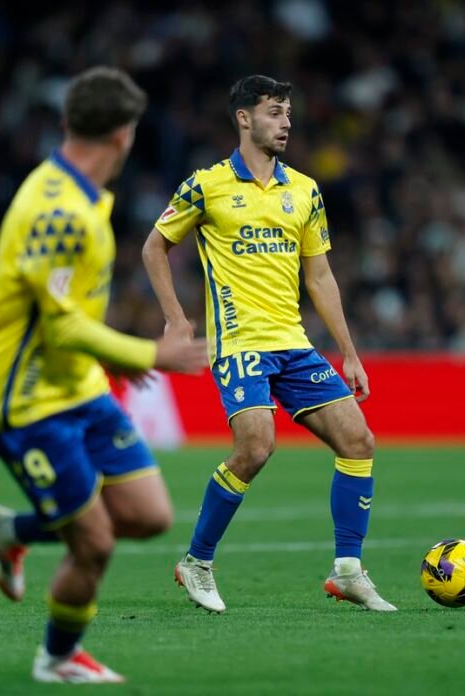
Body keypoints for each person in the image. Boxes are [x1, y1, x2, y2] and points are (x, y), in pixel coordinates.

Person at [0, 66, 208, 684]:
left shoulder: (79, 197)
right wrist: (148, 354)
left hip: (80, 389)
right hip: (26, 404)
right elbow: (60, 325)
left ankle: (13, 531)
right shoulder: (59, 211)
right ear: (124, 135)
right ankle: (57, 658)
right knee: (94, 542)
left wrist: (112, 360)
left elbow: (66, 313)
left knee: (149, 515)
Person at [141, 75, 395, 613]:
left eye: (288, 114)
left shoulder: (304, 190)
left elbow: (319, 276)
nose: (286, 123)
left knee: (358, 441)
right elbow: (154, 247)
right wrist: (175, 318)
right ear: (244, 118)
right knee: (256, 447)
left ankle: (348, 571)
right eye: (275, 112)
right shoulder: (206, 185)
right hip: (239, 344)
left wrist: (349, 352)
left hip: (293, 344)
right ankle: (197, 562)